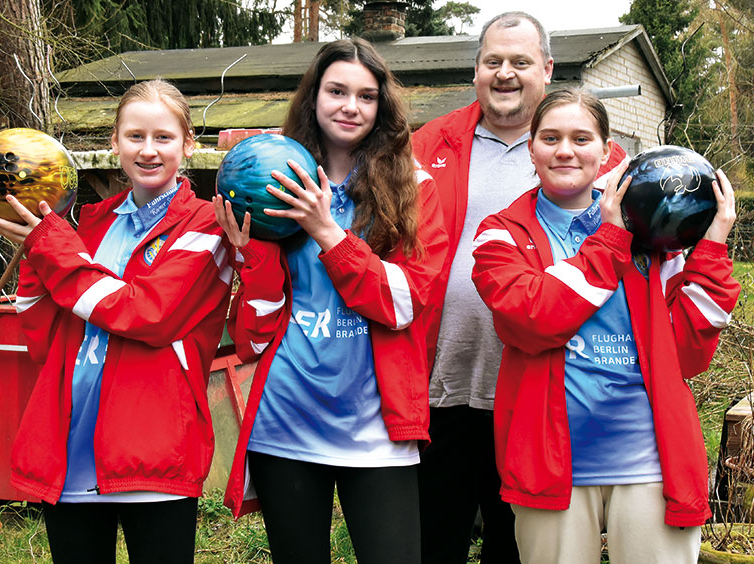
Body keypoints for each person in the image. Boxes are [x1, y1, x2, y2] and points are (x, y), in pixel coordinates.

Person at [470, 88, 740, 564]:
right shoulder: (502, 233)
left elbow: (690, 356)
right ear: (531, 149)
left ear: (606, 151)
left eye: (581, 137)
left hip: (651, 462)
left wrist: (712, 247)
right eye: (550, 137)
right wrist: (611, 240)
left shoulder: (657, 236)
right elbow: (533, 320)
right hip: (551, 465)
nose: (566, 150)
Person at [0, 79, 235, 564]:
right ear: (113, 143)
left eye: (163, 137)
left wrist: (53, 249)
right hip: (71, 446)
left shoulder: (205, 226)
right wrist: (37, 255)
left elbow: (148, 314)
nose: (148, 150)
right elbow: (45, 336)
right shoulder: (90, 223)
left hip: (153, 449)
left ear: (188, 145)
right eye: (135, 136)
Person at [216, 38, 447, 564]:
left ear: (381, 107)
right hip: (288, 420)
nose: (350, 106)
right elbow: (255, 332)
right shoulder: (271, 180)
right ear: (313, 97)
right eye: (336, 91)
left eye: (366, 96)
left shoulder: (415, 187)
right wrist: (251, 255)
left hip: (376, 425)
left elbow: (405, 304)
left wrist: (327, 232)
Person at [411, 11, 625, 563]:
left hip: (543, 389)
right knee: (437, 538)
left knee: (518, 546)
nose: (505, 73)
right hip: (445, 379)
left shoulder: (602, 164)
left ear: (547, 69)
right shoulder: (429, 144)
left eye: (521, 62)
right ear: (476, 70)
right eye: (493, 61)